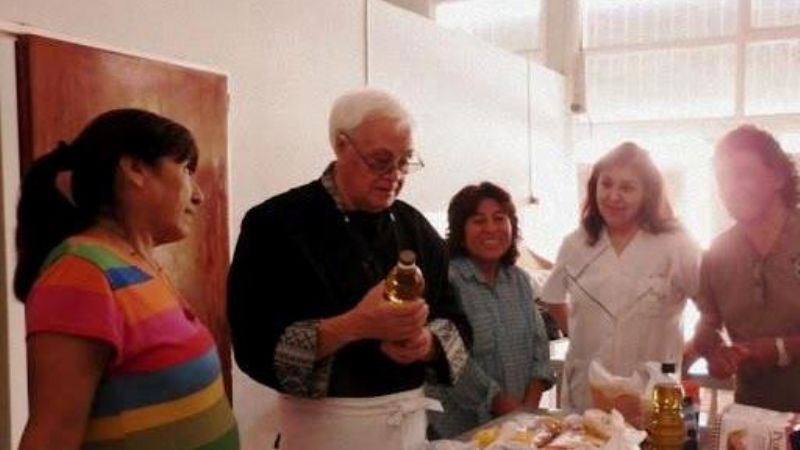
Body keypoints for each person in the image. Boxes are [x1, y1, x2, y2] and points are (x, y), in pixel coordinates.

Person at [227, 88, 471, 450]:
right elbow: (252, 345)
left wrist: (427, 344)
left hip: (407, 430)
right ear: (341, 146)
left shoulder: (415, 228)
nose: (394, 175)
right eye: (380, 161)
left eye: (405, 162)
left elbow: (458, 323)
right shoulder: (275, 224)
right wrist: (354, 326)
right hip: (323, 433)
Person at [15, 109, 239, 449]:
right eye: (185, 169)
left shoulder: (137, 264)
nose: (198, 194)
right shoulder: (82, 272)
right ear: (135, 169)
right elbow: (53, 435)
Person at [540, 142, 700, 413]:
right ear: (594, 187)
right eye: (606, 184)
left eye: (627, 188)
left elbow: (711, 308)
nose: (613, 196)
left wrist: (686, 356)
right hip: (587, 391)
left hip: (651, 393)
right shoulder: (576, 243)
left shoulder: (676, 244)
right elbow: (553, 297)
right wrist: (578, 339)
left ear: (648, 193)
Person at [426, 182, 553, 438]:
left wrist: (526, 411)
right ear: (460, 229)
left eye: (499, 218)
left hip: (518, 426)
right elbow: (451, 359)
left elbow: (539, 349)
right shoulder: (445, 281)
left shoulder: (518, 280)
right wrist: (502, 404)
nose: (491, 228)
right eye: (478, 220)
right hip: (460, 429)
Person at [692, 125, 800, 411]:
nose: (731, 188)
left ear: (777, 176)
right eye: (722, 178)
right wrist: (715, 354)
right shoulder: (717, 254)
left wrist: (780, 349)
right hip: (753, 419)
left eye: (743, 174)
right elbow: (708, 325)